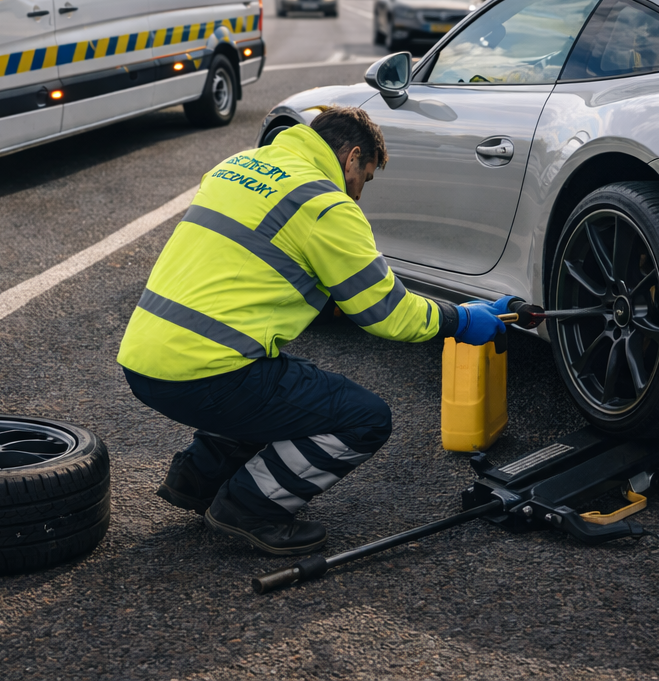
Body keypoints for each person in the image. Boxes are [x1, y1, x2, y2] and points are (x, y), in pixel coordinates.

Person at [117, 106, 517, 555]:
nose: (360, 193)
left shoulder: (237, 166)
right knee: (363, 418)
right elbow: (388, 313)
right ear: (352, 158)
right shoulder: (325, 205)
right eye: (364, 177)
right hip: (207, 375)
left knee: (283, 383)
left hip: (144, 360)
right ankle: (249, 508)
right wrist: (462, 319)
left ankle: (195, 479)